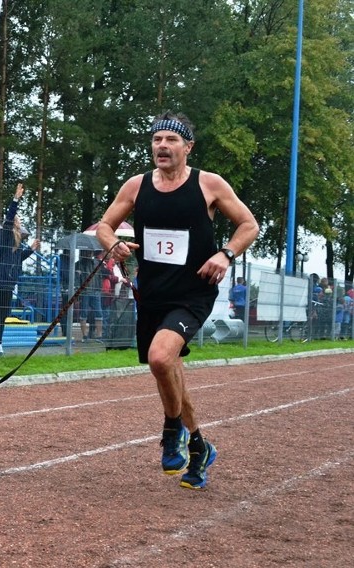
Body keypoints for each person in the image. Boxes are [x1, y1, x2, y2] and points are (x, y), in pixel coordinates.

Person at [96, 111, 258, 489]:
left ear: (188, 147)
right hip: (152, 294)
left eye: (171, 140)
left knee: (160, 358)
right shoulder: (136, 186)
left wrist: (226, 254)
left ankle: (172, 431)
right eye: (157, 140)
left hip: (193, 293)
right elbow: (104, 225)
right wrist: (113, 244)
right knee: (170, 372)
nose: (162, 146)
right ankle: (200, 447)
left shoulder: (209, 184)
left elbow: (248, 225)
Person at [0, 183, 41, 356]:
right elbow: (9, 217)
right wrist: (16, 199)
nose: (18, 221)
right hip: (2, 279)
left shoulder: (16, 242)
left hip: (10, 281)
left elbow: (18, 258)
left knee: (3, 314)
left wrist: (31, 249)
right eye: (17, 219)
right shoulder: (6, 233)